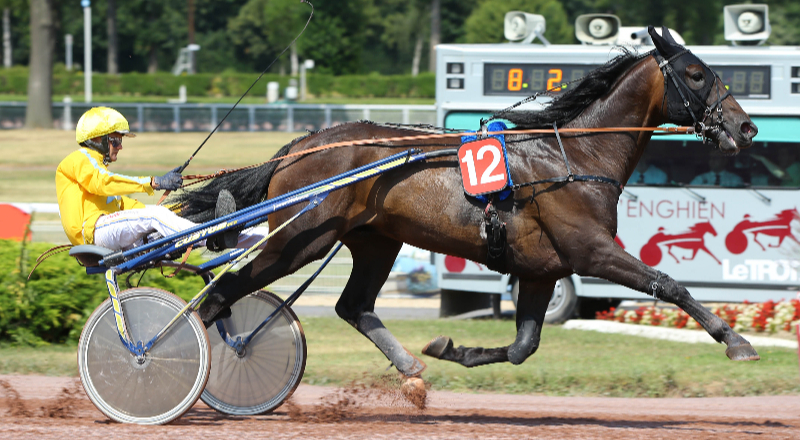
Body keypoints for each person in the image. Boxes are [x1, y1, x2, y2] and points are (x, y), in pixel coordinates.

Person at [56, 107, 267, 251]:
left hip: (108, 232)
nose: (120, 147)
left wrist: (175, 211)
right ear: (96, 139)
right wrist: (154, 182)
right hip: (94, 232)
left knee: (177, 216)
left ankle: (267, 239)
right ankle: (210, 238)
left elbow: (127, 206)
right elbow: (102, 182)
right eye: (115, 141)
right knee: (156, 216)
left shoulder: (101, 181)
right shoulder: (79, 159)